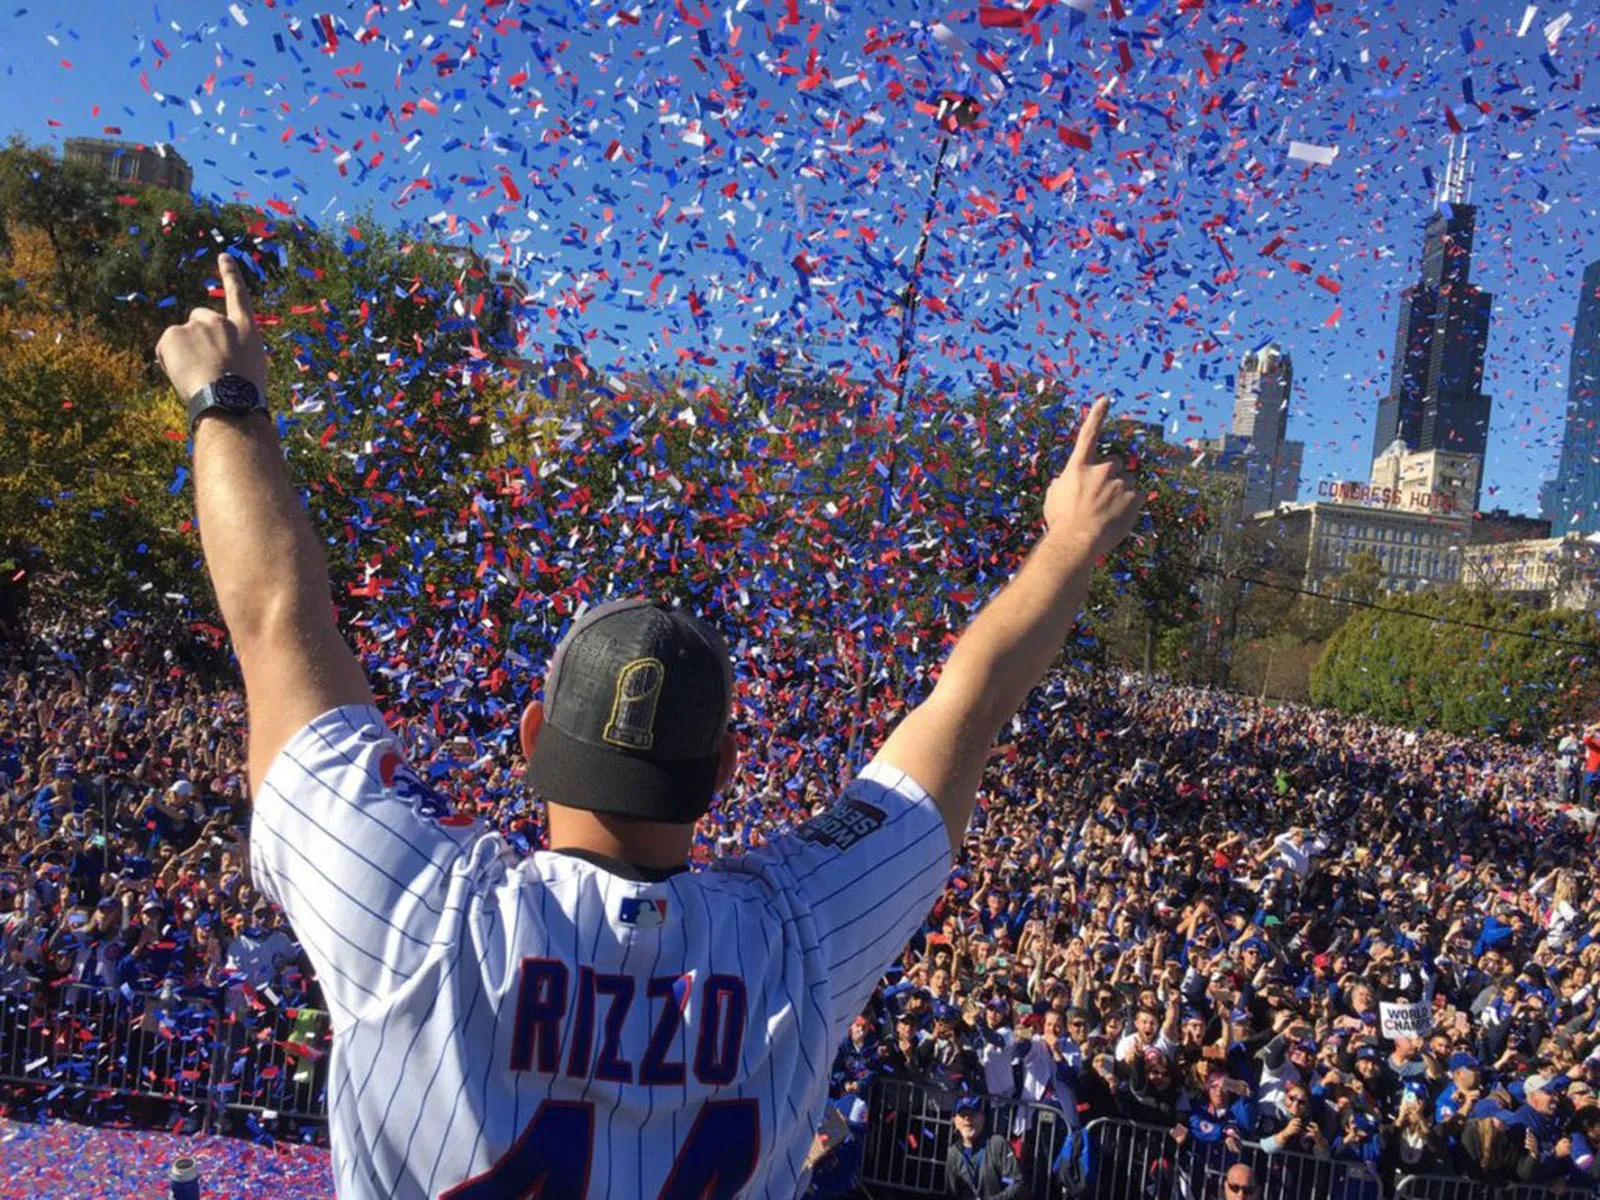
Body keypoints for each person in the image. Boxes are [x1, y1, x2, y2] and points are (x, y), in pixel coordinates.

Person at [153, 255, 1143, 1197]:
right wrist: (1068, 546)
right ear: (723, 769)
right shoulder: (794, 935)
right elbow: (963, 710)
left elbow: (279, 620)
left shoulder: (422, 912)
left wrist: (227, 399)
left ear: (534, 737)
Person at [946, 1096, 1027, 1200]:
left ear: (982, 1117)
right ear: (955, 1121)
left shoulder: (997, 1143)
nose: (967, 1119)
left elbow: (1017, 1183)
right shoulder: (953, 1153)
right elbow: (952, 1194)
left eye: (972, 1114)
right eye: (963, 1115)